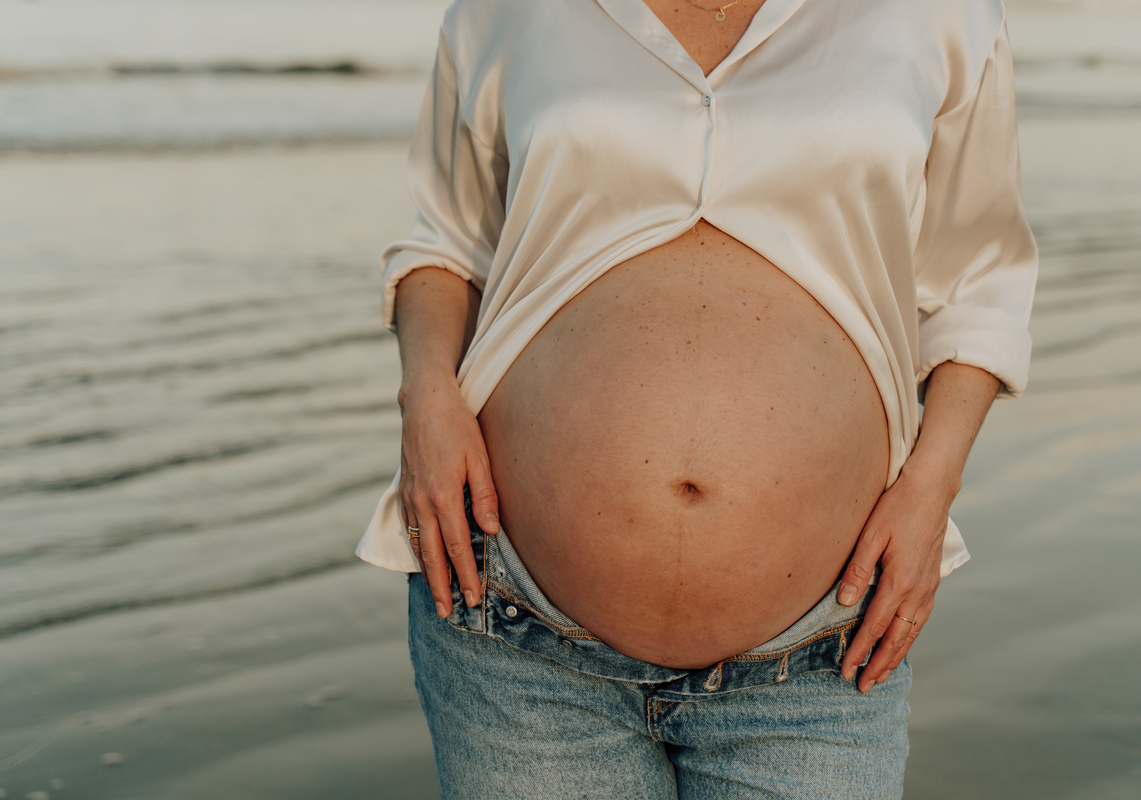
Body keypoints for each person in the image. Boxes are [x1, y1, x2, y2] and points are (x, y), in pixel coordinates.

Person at [358, 0, 1037, 796]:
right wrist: (427, 397)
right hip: (513, 634)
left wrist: (932, 487)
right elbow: (446, 239)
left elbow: (978, 282)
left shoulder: (940, 15)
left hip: (821, 656)